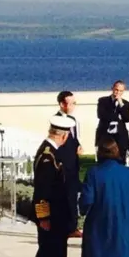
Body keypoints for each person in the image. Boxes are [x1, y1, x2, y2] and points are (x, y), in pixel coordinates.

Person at [31, 115, 78, 257]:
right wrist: (44, 217)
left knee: (58, 254)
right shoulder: (47, 156)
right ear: (64, 136)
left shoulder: (52, 152)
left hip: (59, 215)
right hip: (51, 215)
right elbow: (42, 190)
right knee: (47, 254)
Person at [54, 90, 83, 238]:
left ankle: (73, 226)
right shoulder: (57, 120)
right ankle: (67, 226)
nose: (72, 106)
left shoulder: (73, 120)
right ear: (61, 104)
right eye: (69, 103)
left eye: (74, 103)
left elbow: (75, 137)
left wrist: (78, 146)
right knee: (64, 196)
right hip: (63, 163)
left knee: (73, 196)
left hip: (74, 163)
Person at [95, 80, 129, 163]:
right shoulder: (103, 101)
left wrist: (121, 105)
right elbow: (101, 115)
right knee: (104, 160)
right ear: (112, 88)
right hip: (105, 135)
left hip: (120, 137)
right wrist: (117, 116)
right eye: (116, 90)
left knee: (121, 161)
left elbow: (127, 119)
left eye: (121, 91)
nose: (118, 92)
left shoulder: (125, 104)